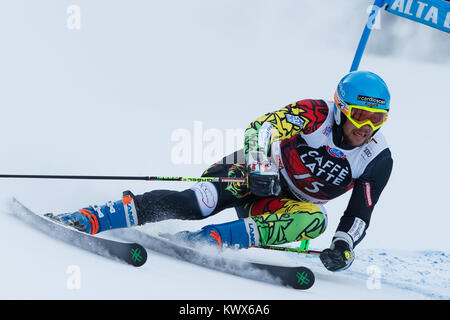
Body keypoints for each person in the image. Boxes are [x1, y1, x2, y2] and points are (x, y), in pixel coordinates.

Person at [56, 70, 393, 272]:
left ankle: (204, 242)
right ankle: (91, 217)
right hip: (252, 172)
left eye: (377, 119)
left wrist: (344, 246)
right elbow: (262, 127)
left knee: (315, 220)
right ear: (343, 108)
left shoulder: (377, 157)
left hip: (279, 206)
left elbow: (360, 212)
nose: (367, 127)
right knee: (195, 204)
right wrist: (261, 164)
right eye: (361, 115)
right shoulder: (316, 112)